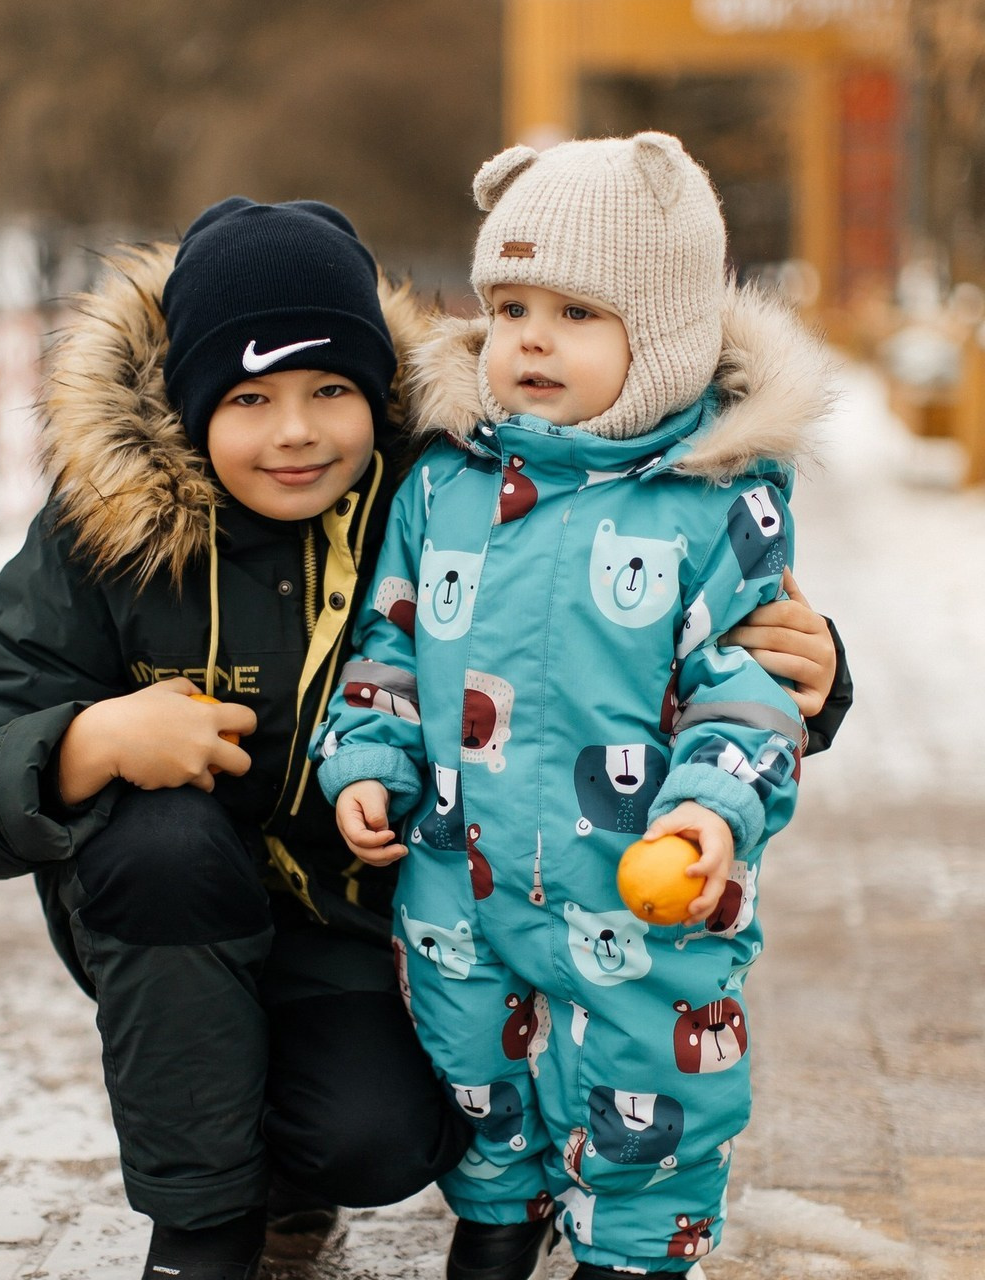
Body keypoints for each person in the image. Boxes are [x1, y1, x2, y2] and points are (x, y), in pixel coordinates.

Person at [0, 192, 849, 1280]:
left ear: (377, 395)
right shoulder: (107, 530)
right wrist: (91, 739)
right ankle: (201, 1229)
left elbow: (625, 634)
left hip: (360, 925)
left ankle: (298, 1164)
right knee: (161, 841)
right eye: (250, 397)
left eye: (330, 389)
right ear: (186, 403)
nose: (297, 431)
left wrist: (815, 676)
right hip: (167, 921)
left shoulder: (444, 484)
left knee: (384, 1134)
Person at [318, 133, 839, 1280]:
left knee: (651, 1077)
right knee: (470, 1052)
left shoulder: (715, 508)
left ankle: (637, 1244)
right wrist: (367, 757)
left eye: (574, 311)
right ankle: (500, 1206)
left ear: (657, 338)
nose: (529, 337)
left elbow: (745, 685)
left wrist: (708, 811)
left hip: (640, 884)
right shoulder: (444, 482)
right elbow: (388, 644)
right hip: (461, 870)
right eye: (506, 304)